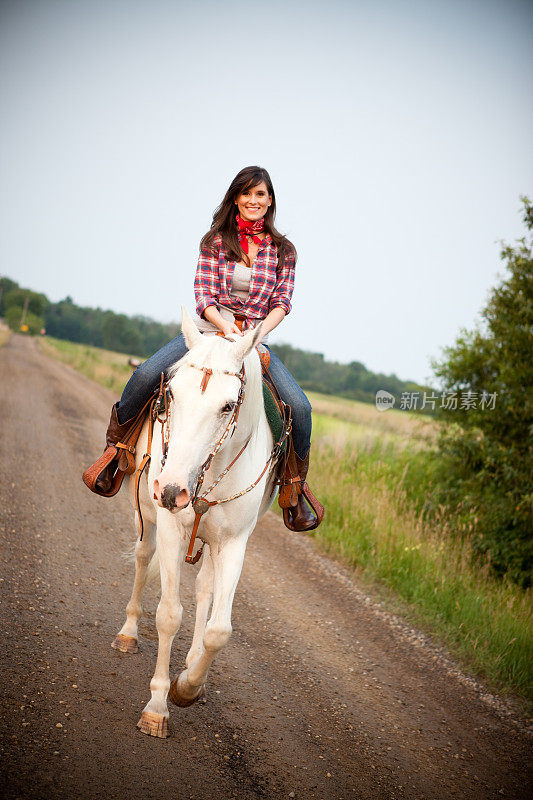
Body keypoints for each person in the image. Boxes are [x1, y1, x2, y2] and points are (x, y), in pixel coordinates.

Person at [88, 165, 318, 530]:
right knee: (147, 373)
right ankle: (116, 452)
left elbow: (282, 303)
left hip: (250, 343)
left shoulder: (284, 250)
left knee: (301, 407)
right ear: (236, 199)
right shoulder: (215, 241)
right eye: (246, 194)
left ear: (270, 200)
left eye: (261, 194)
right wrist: (224, 327)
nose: (253, 200)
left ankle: (293, 491)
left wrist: (252, 337)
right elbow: (204, 296)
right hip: (207, 331)